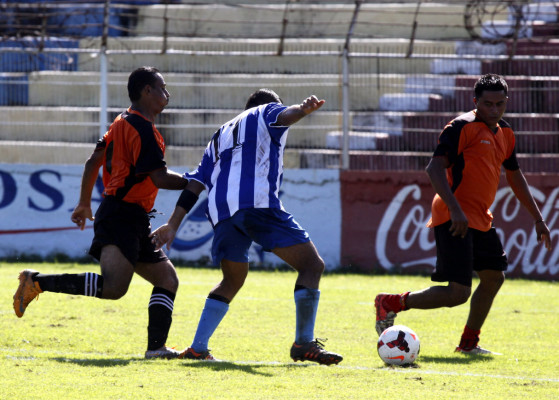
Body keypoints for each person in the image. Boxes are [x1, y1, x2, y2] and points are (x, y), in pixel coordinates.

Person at [150, 88, 343, 365]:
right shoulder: (265, 111)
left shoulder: (219, 134)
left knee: (232, 280)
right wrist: (301, 111)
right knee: (312, 266)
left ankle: (198, 347)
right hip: (256, 205)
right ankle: (303, 343)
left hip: (221, 213)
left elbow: (196, 183)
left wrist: (172, 224)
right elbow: (284, 115)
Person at [13, 66, 189, 359]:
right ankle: (37, 281)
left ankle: (156, 348)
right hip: (121, 215)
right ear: (147, 91)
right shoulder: (141, 128)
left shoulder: (121, 121)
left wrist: (84, 203)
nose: (166, 93)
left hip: (132, 216)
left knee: (167, 279)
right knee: (114, 288)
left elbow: (92, 161)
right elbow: (160, 178)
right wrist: (193, 181)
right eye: (162, 87)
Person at [375, 73, 552, 355]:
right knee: (458, 293)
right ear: (475, 102)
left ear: (507, 102)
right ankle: (391, 303)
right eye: (487, 104)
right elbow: (434, 169)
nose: (494, 110)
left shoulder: (505, 133)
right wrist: (456, 210)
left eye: (500, 104)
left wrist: (538, 218)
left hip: (480, 216)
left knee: (494, 277)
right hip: (453, 216)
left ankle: (469, 344)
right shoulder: (460, 127)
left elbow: (515, 176)